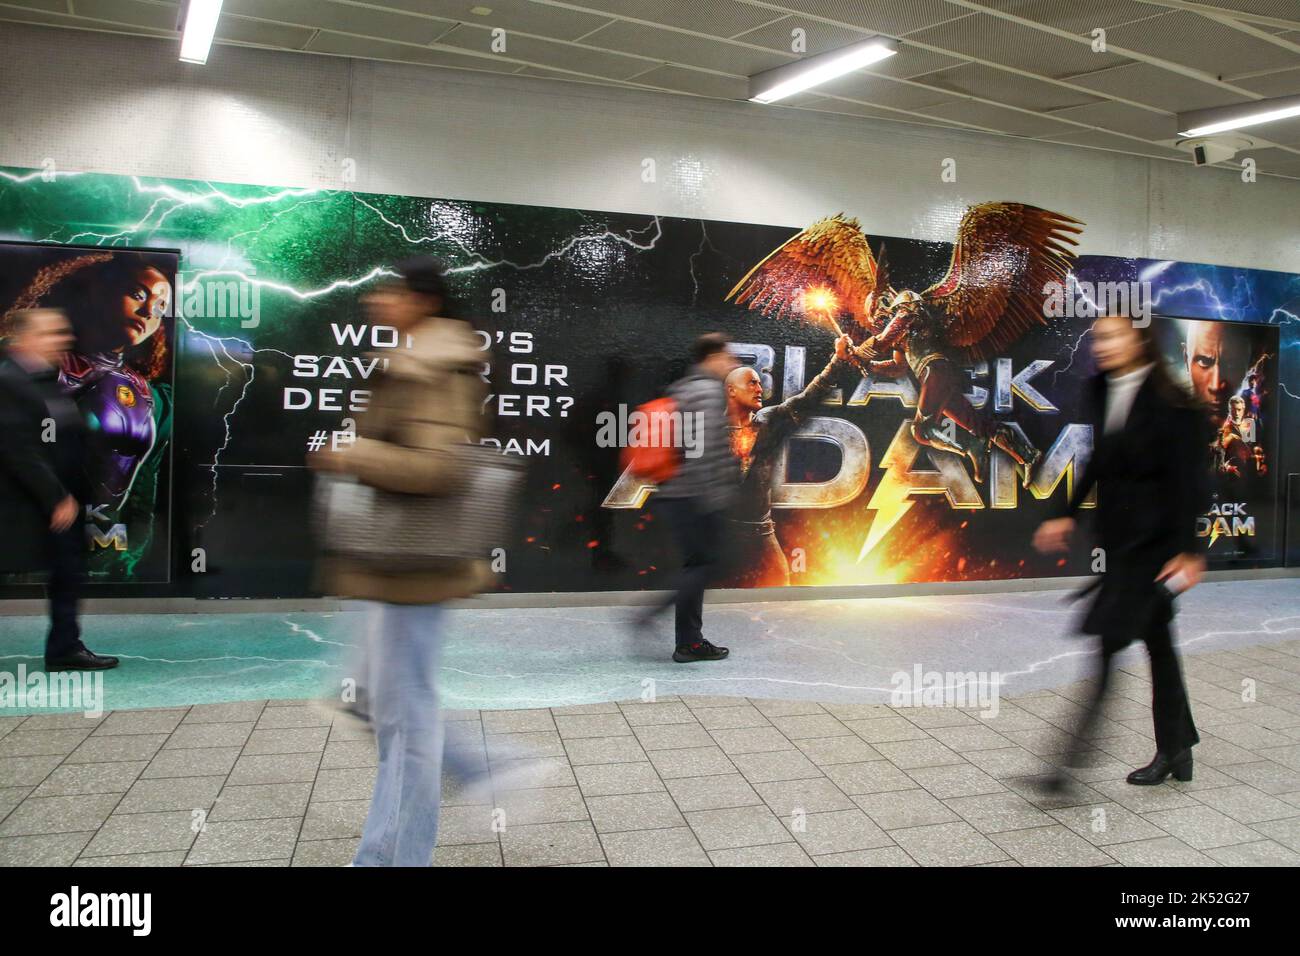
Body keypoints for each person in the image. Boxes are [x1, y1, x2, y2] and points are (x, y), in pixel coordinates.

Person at [311, 257, 492, 866]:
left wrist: (351, 453)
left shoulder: (432, 368)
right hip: (396, 563)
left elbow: (437, 467)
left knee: (406, 721)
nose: (375, 300)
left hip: (414, 561)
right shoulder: (412, 360)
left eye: (388, 290)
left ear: (421, 300)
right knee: (392, 709)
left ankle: (392, 858)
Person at [1034, 314, 1209, 786]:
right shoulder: (1101, 390)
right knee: (1158, 646)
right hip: (1120, 541)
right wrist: (1064, 513)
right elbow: (1100, 461)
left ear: (1141, 340)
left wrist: (1189, 551)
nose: (1102, 346)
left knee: (1108, 644)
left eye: (1114, 336)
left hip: (1156, 548)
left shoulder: (1177, 404)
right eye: (1098, 338)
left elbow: (1192, 482)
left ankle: (1063, 768)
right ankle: (1177, 748)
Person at [0, 308, 119, 670]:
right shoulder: (10, 381)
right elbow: (18, 447)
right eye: (51, 333)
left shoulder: (46, 380)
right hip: (30, 501)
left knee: (68, 573)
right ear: (25, 338)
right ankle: (65, 647)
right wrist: (55, 496)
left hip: (60, 500)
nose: (62, 339)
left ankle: (65, 648)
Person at [637, 333, 740, 662]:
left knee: (696, 566)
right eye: (727, 357)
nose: (731, 364)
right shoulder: (708, 392)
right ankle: (656, 615)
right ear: (712, 358)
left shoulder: (680, 388)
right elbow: (705, 450)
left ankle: (688, 643)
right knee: (706, 565)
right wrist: (715, 498)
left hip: (673, 493)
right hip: (695, 496)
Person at [721, 335, 855, 587]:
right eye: (751, 383)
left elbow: (807, 399)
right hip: (721, 536)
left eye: (760, 383)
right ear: (731, 390)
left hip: (761, 534)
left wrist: (838, 360)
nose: (759, 389)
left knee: (782, 597)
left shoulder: (769, 421)